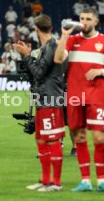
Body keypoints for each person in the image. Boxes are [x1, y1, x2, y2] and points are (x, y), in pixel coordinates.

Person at [54, 7, 104, 193]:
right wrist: (64, 35)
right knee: (80, 137)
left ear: (96, 21)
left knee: (98, 138)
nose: (84, 22)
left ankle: (102, 181)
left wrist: (101, 71)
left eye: (88, 19)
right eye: (81, 18)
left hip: (96, 97)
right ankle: (85, 181)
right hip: (75, 97)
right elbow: (58, 59)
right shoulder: (72, 40)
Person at [13, 14, 65, 192]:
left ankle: (56, 183)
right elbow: (34, 73)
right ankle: (45, 180)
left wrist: (27, 56)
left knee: (52, 141)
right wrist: (26, 56)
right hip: (43, 99)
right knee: (41, 140)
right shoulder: (45, 47)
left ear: (36, 30)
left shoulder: (52, 46)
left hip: (51, 99)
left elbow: (39, 73)